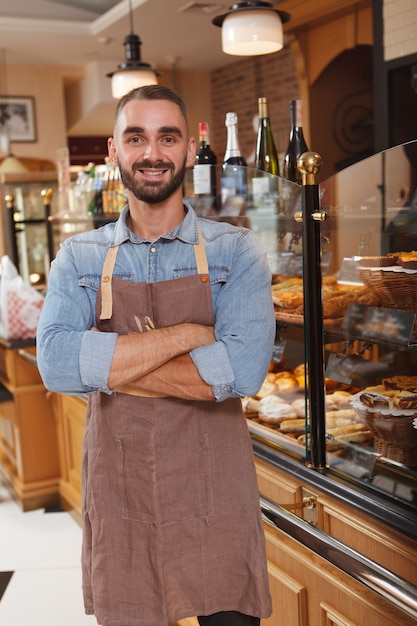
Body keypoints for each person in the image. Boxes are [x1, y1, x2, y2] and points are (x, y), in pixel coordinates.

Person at [37, 85, 275, 626]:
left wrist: (110, 367)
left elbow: (241, 371)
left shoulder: (235, 251)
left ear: (189, 150)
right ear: (114, 150)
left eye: (167, 137)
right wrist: (190, 332)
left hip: (215, 489)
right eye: (136, 137)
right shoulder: (80, 255)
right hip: (120, 492)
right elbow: (55, 363)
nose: (152, 153)